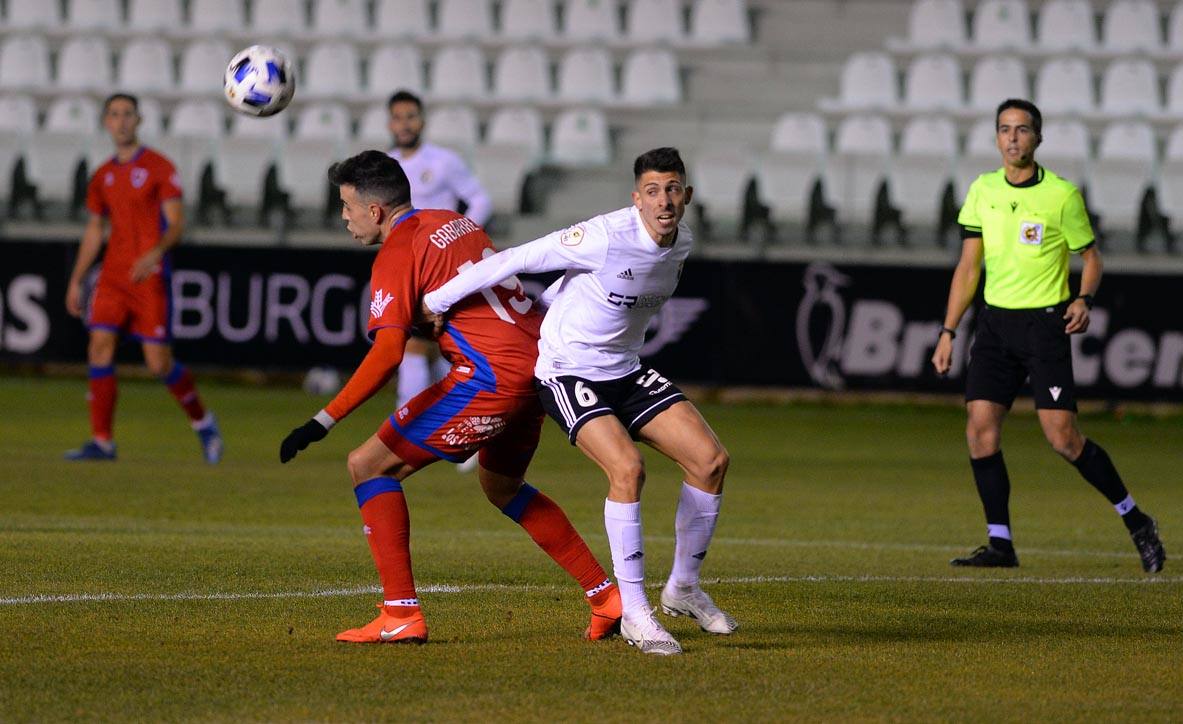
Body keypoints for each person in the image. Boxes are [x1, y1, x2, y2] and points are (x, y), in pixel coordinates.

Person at [279, 150, 621, 644]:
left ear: (375, 211)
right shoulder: (454, 221)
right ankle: (606, 597)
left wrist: (323, 420)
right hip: (540, 365)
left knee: (368, 465)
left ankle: (400, 612)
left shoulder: (396, 252)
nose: (343, 217)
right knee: (502, 487)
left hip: (492, 378)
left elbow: (388, 353)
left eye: (347, 205)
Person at [423, 148, 735, 656]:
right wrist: (436, 301)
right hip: (567, 369)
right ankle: (635, 614)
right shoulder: (603, 237)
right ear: (637, 200)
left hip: (625, 369)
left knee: (711, 461)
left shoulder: (682, 244)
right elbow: (515, 259)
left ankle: (683, 588)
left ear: (688, 196)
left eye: (673, 189)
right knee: (627, 470)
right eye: (653, 191)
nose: (664, 201)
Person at [932, 98, 1165, 573]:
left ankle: (1136, 520)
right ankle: (1001, 543)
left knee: (1063, 439)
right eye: (1004, 129)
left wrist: (1084, 299)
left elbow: (1092, 257)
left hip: (1043, 326)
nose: (1013, 138)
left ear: (1038, 138)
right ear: (996, 137)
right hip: (995, 325)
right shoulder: (982, 190)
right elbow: (968, 266)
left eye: (1022, 130)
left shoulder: (1061, 195)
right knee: (980, 431)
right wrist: (948, 330)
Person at [64, 93, 222, 464]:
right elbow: (94, 230)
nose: (121, 121)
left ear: (139, 120)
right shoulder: (102, 175)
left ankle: (203, 422)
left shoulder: (159, 167)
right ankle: (102, 442)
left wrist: (156, 251)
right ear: (106, 121)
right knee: (99, 346)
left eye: (127, 114)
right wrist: (76, 278)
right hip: (113, 276)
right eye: (114, 114)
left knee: (157, 364)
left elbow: (178, 223)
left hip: (149, 277)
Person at [387, 90, 492, 454]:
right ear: (389, 123)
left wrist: (457, 236)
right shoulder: (386, 166)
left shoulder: (444, 162)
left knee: (437, 345)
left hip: (443, 268)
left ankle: (416, 431)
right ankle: (442, 431)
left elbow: (480, 199)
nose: (404, 124)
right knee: (423, 346)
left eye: (410, 117)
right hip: (407, 268)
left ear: (422, 121)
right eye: (398, 117)